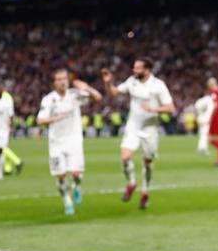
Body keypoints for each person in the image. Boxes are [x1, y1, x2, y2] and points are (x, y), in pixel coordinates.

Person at [101, 59, 175, 209]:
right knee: (125, 157)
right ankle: (132, 183)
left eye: (138, 68)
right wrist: (108, 83)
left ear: (147, 70)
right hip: (133, 126)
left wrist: (154, 109)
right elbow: (114, 93)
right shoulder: (132, 81)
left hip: (150, 129)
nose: (134, 70)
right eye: (134, 68)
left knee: (147, 163)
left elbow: (170, 108)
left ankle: (145, 192)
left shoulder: (158, 85)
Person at [36, 70, 102, 214]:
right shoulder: (48, 100)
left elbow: (98, 97)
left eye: (64, 78)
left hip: (74, 140)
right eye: (59, 79)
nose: (62, 82)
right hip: (56, 142)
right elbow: (40, 120)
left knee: (76, 174)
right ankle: (67, 201)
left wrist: (86, 87)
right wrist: (55, 118)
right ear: (54, 83)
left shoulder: (74, 95)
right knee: (60, 175)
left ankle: (76, 187)